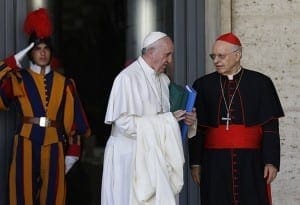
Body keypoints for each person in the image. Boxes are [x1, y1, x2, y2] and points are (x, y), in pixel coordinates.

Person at [0, 8, 90, 205]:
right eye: (37, 48)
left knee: (54, 198)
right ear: (30, 52)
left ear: (51, 52)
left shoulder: (65, 83)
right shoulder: (19, 78)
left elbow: (74, 122)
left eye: (46, 48)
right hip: (25, 142)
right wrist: (12, 61)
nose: (42, 53)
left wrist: (72, 153)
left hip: (55, 144)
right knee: (21, 197)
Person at [101, 31, 197, 205]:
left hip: (154, 154)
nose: (170, 60)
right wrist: (167, 121)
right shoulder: (126, 78)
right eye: (167, 54)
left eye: (171, 55)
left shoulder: (163, 80)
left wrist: (185, 120)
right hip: (129, 156)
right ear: (151, 52)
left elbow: (167, 118)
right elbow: (124, 123)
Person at [188, 32, 284, 205]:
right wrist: (195, 162)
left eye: (221, 56)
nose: (216, 60)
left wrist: (271, 161)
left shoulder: (261, 83)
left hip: (251, 162)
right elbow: (197, 128)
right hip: (214, 162)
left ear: (237, 55)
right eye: (213, 56)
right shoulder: (202, 85)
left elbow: (270, 126)